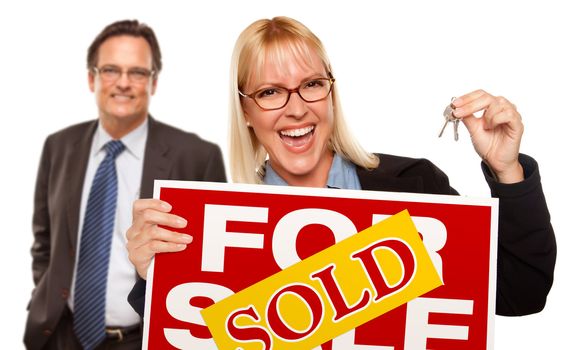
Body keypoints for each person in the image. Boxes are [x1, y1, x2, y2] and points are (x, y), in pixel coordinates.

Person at [126, 16, 555, 320]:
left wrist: (507, 169)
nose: (296, 109)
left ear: (331, 93)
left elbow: (522, 292)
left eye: (312, 85)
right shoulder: (209, 230)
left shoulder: (415, 187)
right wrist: (155, 277)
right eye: (271, 91)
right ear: (246, 112)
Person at [24, 19, 226, 350]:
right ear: (92, 78)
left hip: (144, 338)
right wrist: (46, 299)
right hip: (62, 336)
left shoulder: (198, 157)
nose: (123, 83)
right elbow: (44, 240)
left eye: (137, 72)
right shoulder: (58, 146)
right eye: (110, 70)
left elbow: (212, 266)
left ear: (153, 82)